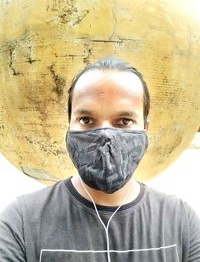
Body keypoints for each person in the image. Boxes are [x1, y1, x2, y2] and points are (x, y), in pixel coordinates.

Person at [0, 57, 200, 262]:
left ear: (145, 128)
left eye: (124, 121)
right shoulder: (21, 222)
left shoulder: (182, 221)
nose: (106, 136)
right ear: (69, 125)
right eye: (86, 120)